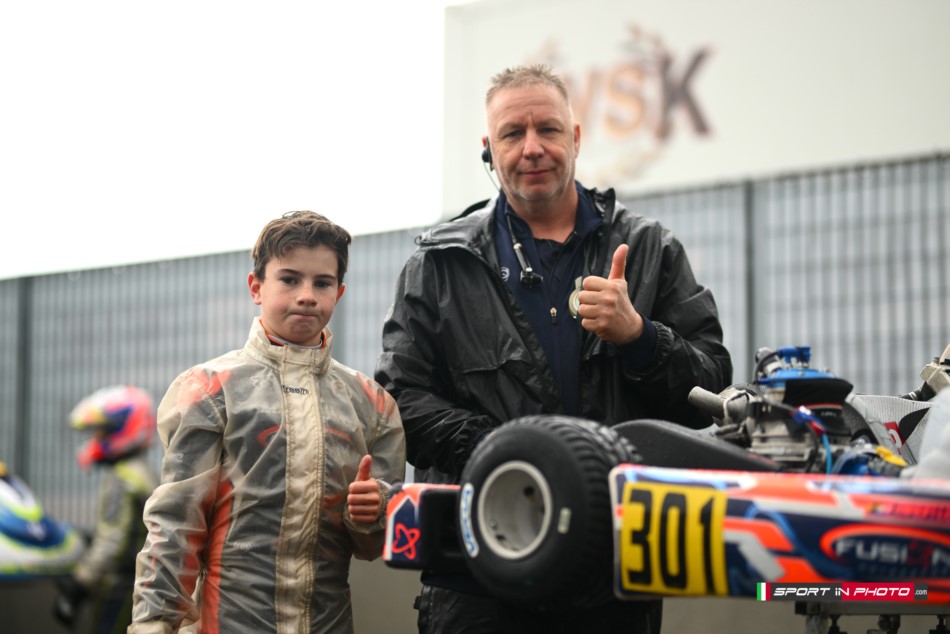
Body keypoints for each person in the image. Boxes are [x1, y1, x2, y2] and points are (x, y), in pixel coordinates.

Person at [375, 64, 732, 633]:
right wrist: (508, 453)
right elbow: (400, 399)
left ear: (576, 137)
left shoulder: (649, 248)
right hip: (479, 572)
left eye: (548, 129)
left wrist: (640, 338)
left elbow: (712, 389)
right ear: (489, 149)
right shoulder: (439, 264)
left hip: (612, 568)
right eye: (513, 133)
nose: (533, 148)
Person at [128, 211, 406, 633]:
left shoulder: (373, 405)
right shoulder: (209, 390)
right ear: (256, 287)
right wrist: (152, 625)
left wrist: (374, 511)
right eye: (290, 279)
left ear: (339, 292)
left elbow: (375, 546)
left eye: (322, 283)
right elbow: (175, 527)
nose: (307, 295)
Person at [53, 385, 159, 634]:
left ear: (123, 430)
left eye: (101, 431)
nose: (95, 439)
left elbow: (112, 543)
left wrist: (79, 585)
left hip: (121, 587)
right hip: (145, 583)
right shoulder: (143, 472)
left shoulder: (122, 478)